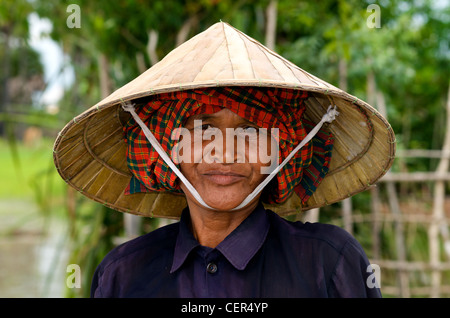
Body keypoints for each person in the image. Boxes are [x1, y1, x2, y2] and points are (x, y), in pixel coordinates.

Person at [53, 22, 395, 297]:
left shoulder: (329, 263)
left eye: (250, 130)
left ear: (279, 150)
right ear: (166, 148)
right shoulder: (122, 276)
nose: (226, 151)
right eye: (203, 129)